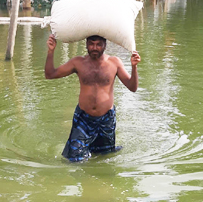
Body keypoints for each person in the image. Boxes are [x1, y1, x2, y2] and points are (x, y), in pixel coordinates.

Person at [45, 34, 141, 162]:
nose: (94, 47)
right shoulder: (78, 62)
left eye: (98, 44)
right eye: (91, 44)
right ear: (86, 45)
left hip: (106, 119)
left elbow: (132, 87)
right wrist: (51, 51)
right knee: (74, 159)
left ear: (105, 45)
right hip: (84, 119)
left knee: (104, 157)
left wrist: (134, 66)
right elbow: (50, 74)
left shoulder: (115, 63)